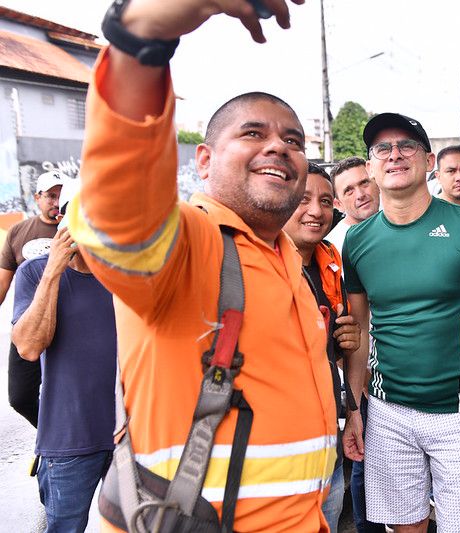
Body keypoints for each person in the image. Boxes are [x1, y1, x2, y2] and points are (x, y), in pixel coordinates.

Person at [66, 1, 339, 530]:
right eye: (253, 134)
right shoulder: (186, 244)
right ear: (205, 161)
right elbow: (119, 208)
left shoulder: (284, 258)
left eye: (295, 141)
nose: (280, 148)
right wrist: (140, 38)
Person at [342, 112, 460, 533]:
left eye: (407, 147)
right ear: (370, 166)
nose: (394, 155)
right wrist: (355, 408)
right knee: (404, 527)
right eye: (382, 148)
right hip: (387, 411)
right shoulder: (357, 240)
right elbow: (361, 331)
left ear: (428, 160)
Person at [12, 185, 116, 532]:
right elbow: (28, 346)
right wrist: (54, 270)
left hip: (128, 438)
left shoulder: (126, 275)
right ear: (64, 220)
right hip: (68, 440)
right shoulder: (35, 273)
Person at [283, 162, 361, 533]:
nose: (316, 211)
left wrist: (346, 341)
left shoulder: (330, 262)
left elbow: (333, 353)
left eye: (325, 201)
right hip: (277, 448)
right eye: (303, 199)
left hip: (327, 434)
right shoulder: (250, 266)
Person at [326, 157, 384, 533]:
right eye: (349, 189)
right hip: (360, 371)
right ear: (337, 202)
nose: (361, 193)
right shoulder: (333, 247)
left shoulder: (395, 223)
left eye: (364, 183)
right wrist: (354, 382)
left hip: (398, 371)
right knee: (364, 461)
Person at [0, 171, 62, 427]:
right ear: (38, 198)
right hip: (27, 324)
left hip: (65, 326)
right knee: (21, 397)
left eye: (60, 196)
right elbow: (3, 282)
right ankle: (50, 432)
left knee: (65, 394)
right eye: (50, 196)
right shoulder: (18, 232)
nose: (56, 202)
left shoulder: (75, 229)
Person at [326, 156, 381, 252]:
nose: (360, 195)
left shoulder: (399, 221)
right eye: (349, 191)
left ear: (378, 184)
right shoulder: (333, 248)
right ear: (338, 204)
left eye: (364, 183)